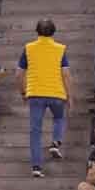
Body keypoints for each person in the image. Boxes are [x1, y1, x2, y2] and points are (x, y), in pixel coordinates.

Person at [18, 19, 70, 177]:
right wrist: (70, 95)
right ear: (54, 32)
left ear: (37, 31)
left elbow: (18, 74)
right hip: (56, 93)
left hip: (35, 94)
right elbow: (66, 75)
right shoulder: (61, 49)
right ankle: (56, 141)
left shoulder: (28, 48)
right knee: (59, 118)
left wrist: (23, 92)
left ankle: (36, 167)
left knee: (35, 131)